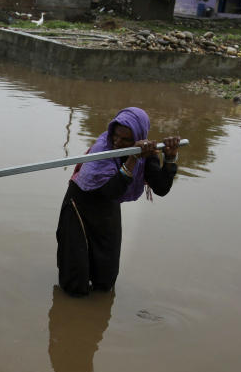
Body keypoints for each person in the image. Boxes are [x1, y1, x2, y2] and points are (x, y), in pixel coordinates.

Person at [56, 107, 180, 296]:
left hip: (107, 209)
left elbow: (161, 188)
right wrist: (132, 159)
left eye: (125, 140)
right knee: (75, 279)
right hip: (80, 206)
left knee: (105, 280)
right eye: (116, 136)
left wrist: (170, 157)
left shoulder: (146, 153)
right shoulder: (101, 151)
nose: (117, 142)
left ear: (138, 136)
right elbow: (108, 190)